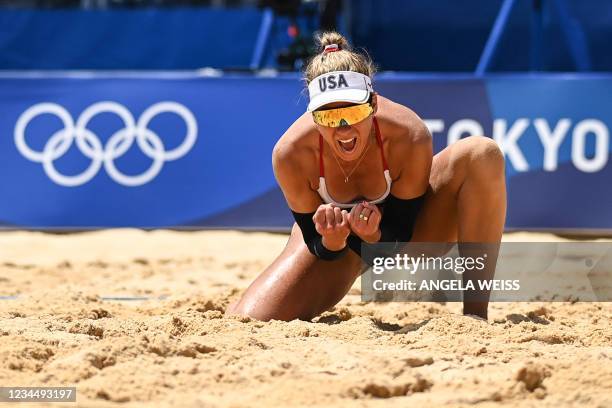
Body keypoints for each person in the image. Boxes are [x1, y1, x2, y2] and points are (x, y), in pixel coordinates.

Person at [226, 32, 506, 321]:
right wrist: (332, 242)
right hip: (340, 245)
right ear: (313, 116)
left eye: (354, 111)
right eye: (329, 117)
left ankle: (476, 316)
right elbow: (316, 244)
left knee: (481, 153)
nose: (344, 128)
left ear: (372, 103)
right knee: (250, 318)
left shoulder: (408, 133)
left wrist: (374, 235)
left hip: (400, 237)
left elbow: (402, 229)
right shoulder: (291, 153)